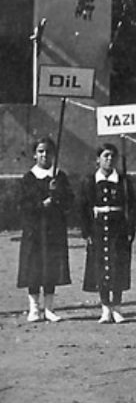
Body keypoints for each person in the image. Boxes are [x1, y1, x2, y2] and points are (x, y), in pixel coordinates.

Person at [17, 137, 73, 322]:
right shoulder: (28, 178)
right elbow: (22, 205)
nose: (44, 155)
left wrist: (57, 194)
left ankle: (49, 308)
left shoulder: (59, 176)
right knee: (33, 267)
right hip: (34, 231)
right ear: (34, 154)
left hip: (54, 230)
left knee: (51, 267)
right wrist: (42, 204)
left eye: (48, 151)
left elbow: (69, 202)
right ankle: (34, 308)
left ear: (53, 154)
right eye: (40, 151)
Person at [80, 143, 135, 323]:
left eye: (112, 156)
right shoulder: (90, 180)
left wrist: (130, 229)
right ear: (98, 160)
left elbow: (132, 206)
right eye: (105, 156)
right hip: (98, 228)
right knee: (100, 266)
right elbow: (83, 207)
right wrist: (86, 231)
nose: (109, 159)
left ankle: (117, 307)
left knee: (117, 265)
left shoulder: (123, 181)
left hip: (117, 228)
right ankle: (105, 308)